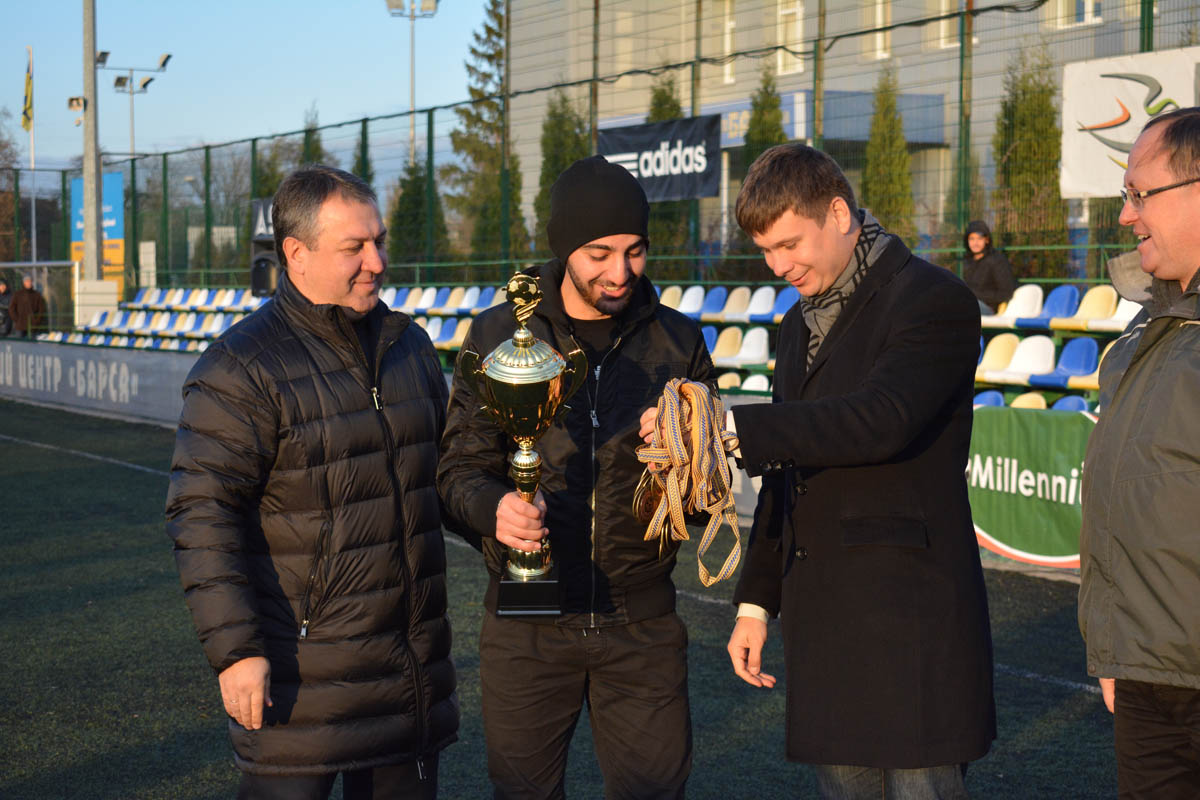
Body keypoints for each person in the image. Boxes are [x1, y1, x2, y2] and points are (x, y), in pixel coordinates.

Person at [165, 165, 458, 800]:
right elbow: (202, 515)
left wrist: (508, 509)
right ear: (296, 254)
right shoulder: (241, 366)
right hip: (300, 687)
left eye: (379, 241)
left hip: (408, 680)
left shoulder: (411, 347)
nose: (376, 262)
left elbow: (448, 480)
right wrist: (237, 651)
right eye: (355, 247)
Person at [438, 155, 714, 800]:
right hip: (527, 619)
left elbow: (706, 500)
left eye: (635, 251)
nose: (619, 272)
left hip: (641, 622)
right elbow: (457, 471)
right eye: (599, 253)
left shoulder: (678, 340)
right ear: (565, 248)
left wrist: (683, 466)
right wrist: (495, 509)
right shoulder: (499, 332)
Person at [724, 144, 995, 799]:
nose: (777, 266)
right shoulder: (795, 324)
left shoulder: (936, 300)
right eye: (765, 251)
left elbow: (883, 417)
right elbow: (784, 473)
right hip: (824, 628)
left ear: (839, 214)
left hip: (910, 625)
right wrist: (756, 602)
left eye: (789, 244)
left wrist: (733, 427)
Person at [1078, 106, 1200, 799]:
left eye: (1139, 193)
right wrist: (1118, 645)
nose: (1126, 215)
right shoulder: (1142, 332)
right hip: (1149, 676)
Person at [961, 219, 1016, 314]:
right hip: (971, 303)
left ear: (987, 240)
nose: (975, 243)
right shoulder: (968, 261)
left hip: (990, 308)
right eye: (972, 239)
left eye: (979, 238)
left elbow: (1006, 293)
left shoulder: (997, 260)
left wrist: (974, 295)